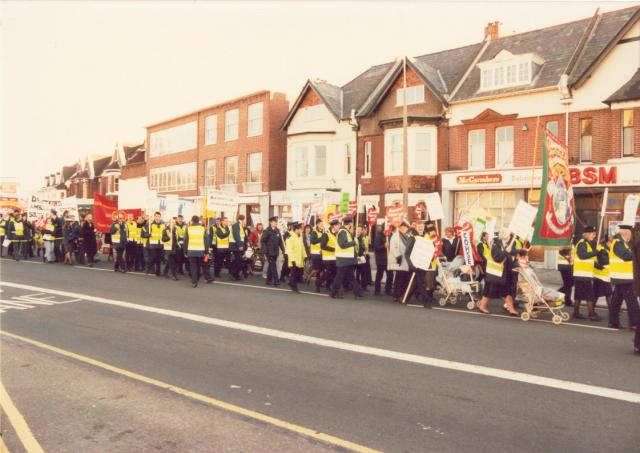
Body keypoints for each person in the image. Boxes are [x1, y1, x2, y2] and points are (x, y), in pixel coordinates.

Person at [477, 228, 519, 316]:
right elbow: (497, 258)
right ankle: (482, 306)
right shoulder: (495, 245)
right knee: (489, 290)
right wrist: (506, 251)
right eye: (508, 235)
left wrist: (522, 252)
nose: (510, 237)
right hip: (495, 272)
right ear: (504, 236)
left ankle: (511, 309)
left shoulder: (508, 244)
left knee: (506, 290)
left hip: (504, 272)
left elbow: (513, 252)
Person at [608, 225, 639, 330]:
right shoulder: (618, 243)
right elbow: (626, 256)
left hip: (620, 278)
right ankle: (635, 323)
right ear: (625, 233)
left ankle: (613, 322)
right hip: (623, 278)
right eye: (629, 234)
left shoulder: (621, 243)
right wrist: (633, 253)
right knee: (632, 302)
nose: (630, 236)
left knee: (616, 301)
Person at [405, 220, 435, 308]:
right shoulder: (412, 237)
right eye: (419, 226)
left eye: (422, 226)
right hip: (415, 264)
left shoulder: (427, 236)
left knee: (417, 282)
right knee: (421, 282)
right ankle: (426, 301)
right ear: (416, 227)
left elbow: (430, 248)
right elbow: (407, 253)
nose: (421, 228)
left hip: (424, 264)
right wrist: (411, 265)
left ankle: (406, 297)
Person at [572, 226, 600, 321]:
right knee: (589, 295)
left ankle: (576, 312)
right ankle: (592, 314)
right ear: (587, 234)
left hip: (581, 274)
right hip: (583, 274)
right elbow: (582, 255)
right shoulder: (583, 243)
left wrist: (597, 265)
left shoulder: (585, 243)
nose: (594, 236)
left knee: (579, 295)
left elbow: (587, 259)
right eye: (593, 234)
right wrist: (594, 253)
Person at [330, 217, 362, 299]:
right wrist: (353, 242)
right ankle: (334, 292)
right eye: (352, 223)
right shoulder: (343, 232)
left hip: (348, 259)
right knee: (340, 277)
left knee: (350, 276)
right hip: (343, 259)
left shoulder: (346, 231)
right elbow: (343, 245)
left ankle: (357, 292)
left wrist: (355, 255)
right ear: (350, 223)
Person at [183, 215, 212, 287]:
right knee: (200, 265)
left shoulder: (188, 229)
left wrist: (185, 251)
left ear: (192, 221)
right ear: (199, 220)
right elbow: (206, 241)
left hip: (191, 250)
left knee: (193, 267)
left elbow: (185, 241)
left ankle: (194, 281)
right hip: (200, 250)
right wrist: (207, 252)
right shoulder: (203, 229)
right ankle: (199, 278)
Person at [389, 221, 411, 303]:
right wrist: (397, 255)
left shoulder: (408, 236)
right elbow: (393, 247)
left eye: (405, 227)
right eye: (402, 227)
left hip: (406, 261)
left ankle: (403, 295)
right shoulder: (396, 236)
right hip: (399, 260)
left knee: (405, 279)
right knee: (399, 278)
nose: (404, 228)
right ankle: (396, 295)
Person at [261, 216, 284, 286]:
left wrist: (283, 250)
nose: (275, 223)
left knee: (271, 266)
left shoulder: (277, 230)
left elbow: (280, 241)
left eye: (276, 222)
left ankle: (268, 280)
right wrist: (265, 251)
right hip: (269, 252)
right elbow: (263, 241)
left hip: (275, 251)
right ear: (270, 223)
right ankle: (276, 281)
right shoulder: (267, 231)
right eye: (274, 222)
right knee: (273, 266)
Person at [285, 222, 306, 293]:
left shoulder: (300, 236)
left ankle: (291, 282)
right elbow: (289, 249)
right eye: (300, 229)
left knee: (298, 273)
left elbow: (302, 246)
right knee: (294, 273)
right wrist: (292, 260)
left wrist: (305, 255)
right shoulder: (290, 236)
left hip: (299, 258)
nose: (301, 230)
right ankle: (294, 287)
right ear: (296, 229)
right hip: (293, 259)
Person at [373, 223, 393, 296]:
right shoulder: (378, 236)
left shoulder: (391, 236)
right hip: (381, 259)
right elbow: (376, 247)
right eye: (388, 228)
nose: (389, 230)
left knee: (390, 276)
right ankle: (377, 290)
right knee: (379, 275)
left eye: (390, 228)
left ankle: (388, 290)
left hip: (389, 259)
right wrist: (384, 246)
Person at [143, 212, 165, 276]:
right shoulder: (150, 224)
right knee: (153, 257)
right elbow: (145, 234)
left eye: (158, 216)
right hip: (153, 244)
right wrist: (148, 235)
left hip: (161, 244)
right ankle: (148, 268)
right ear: (154, 217)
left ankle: (158, 271)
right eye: (156, 216)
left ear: (160, 217)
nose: (157, 217)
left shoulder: (163, 225)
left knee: (159, 258)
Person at [320, 219, 339, 292]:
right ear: (333, 226)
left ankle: (328, 285)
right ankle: (318, 283)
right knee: (327, 273)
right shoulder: (326, 234)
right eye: (337, 225)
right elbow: (323, 246)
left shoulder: (336, 234)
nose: (338, 227)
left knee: (333, 273)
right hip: (327, 258)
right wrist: (333, 249)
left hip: (334, 257)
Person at [229, 215, 248, 281]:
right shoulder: (236, 225)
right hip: (236, 246)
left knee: (238, 261)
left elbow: (243, 237)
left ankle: (235, 275)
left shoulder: (240, 226)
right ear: (243, 220)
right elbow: (236, 236)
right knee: (238, 261)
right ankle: (234, 274)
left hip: (239, 246)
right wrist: (240, 245)